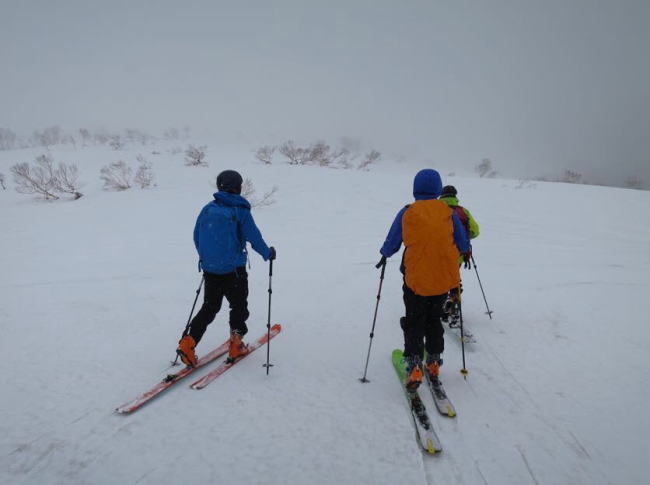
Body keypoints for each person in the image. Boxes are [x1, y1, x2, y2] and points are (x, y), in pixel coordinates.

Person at [378, 169, 469, 391]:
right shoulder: (448, 212)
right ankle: (434, 363)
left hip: (416, 281)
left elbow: (393, 239)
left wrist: (385, 254)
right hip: (442, 280)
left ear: (415, 189)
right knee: (434, 320)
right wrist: (463, 251)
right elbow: (462, 241)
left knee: (414, 321)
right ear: (437, 188)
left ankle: (415, 366)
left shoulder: (408, 211)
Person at [176, 169, 276, 367]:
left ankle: (188, 342)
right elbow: (254, 237)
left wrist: (208, 259)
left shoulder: (207, 209)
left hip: (211, 270)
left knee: (209, 307)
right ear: (238, 187)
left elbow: (197, 236)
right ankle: (236, 344)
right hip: (234, 271)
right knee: (238, 306)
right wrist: (268, 253)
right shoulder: (240, 210)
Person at [439, 185, 479, 326]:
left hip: (439, 253)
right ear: (455, 196)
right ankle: (454, 302)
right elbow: (475, 231)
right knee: (454, 278)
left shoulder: (437, 209)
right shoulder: (463, 211)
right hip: (459, 254)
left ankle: (443, 304)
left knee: (440, 278)